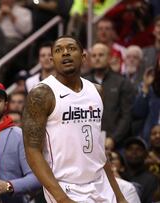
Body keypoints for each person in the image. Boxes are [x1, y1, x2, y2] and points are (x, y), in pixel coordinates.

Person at [22, 35, 127, 202]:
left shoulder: (97, 91)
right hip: (65, 187)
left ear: (84, 57)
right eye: (58, 50)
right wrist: (61, 198)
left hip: (101, 184)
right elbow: (32, 151)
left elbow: (99, 149)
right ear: (52, 59)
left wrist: (119, 196)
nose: (65, 53)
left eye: (71, 49)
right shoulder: (41, 94)